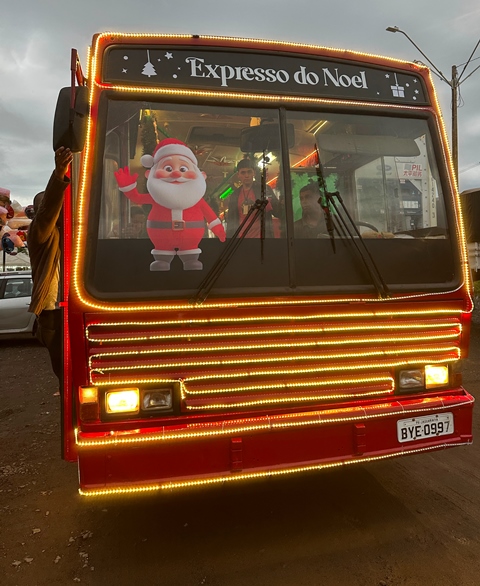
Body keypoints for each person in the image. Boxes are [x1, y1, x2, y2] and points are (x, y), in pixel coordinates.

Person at [28, 146, 73, 382]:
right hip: (53, 312)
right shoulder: (39, 232)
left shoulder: (66, 233)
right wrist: (59, 175)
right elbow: (48, 211)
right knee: (65, 371)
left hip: (68, 306)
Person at [226, 158, 281, 238]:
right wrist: (229, 240)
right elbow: (231, 221)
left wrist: (275, 202)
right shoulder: (235, 195)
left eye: (249, 172)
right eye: (243, 173)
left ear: (254, 173)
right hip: (240, 240)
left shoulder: (264, 189)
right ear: (238, 175)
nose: (246, 175)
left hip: (261, 240)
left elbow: (278, 212)